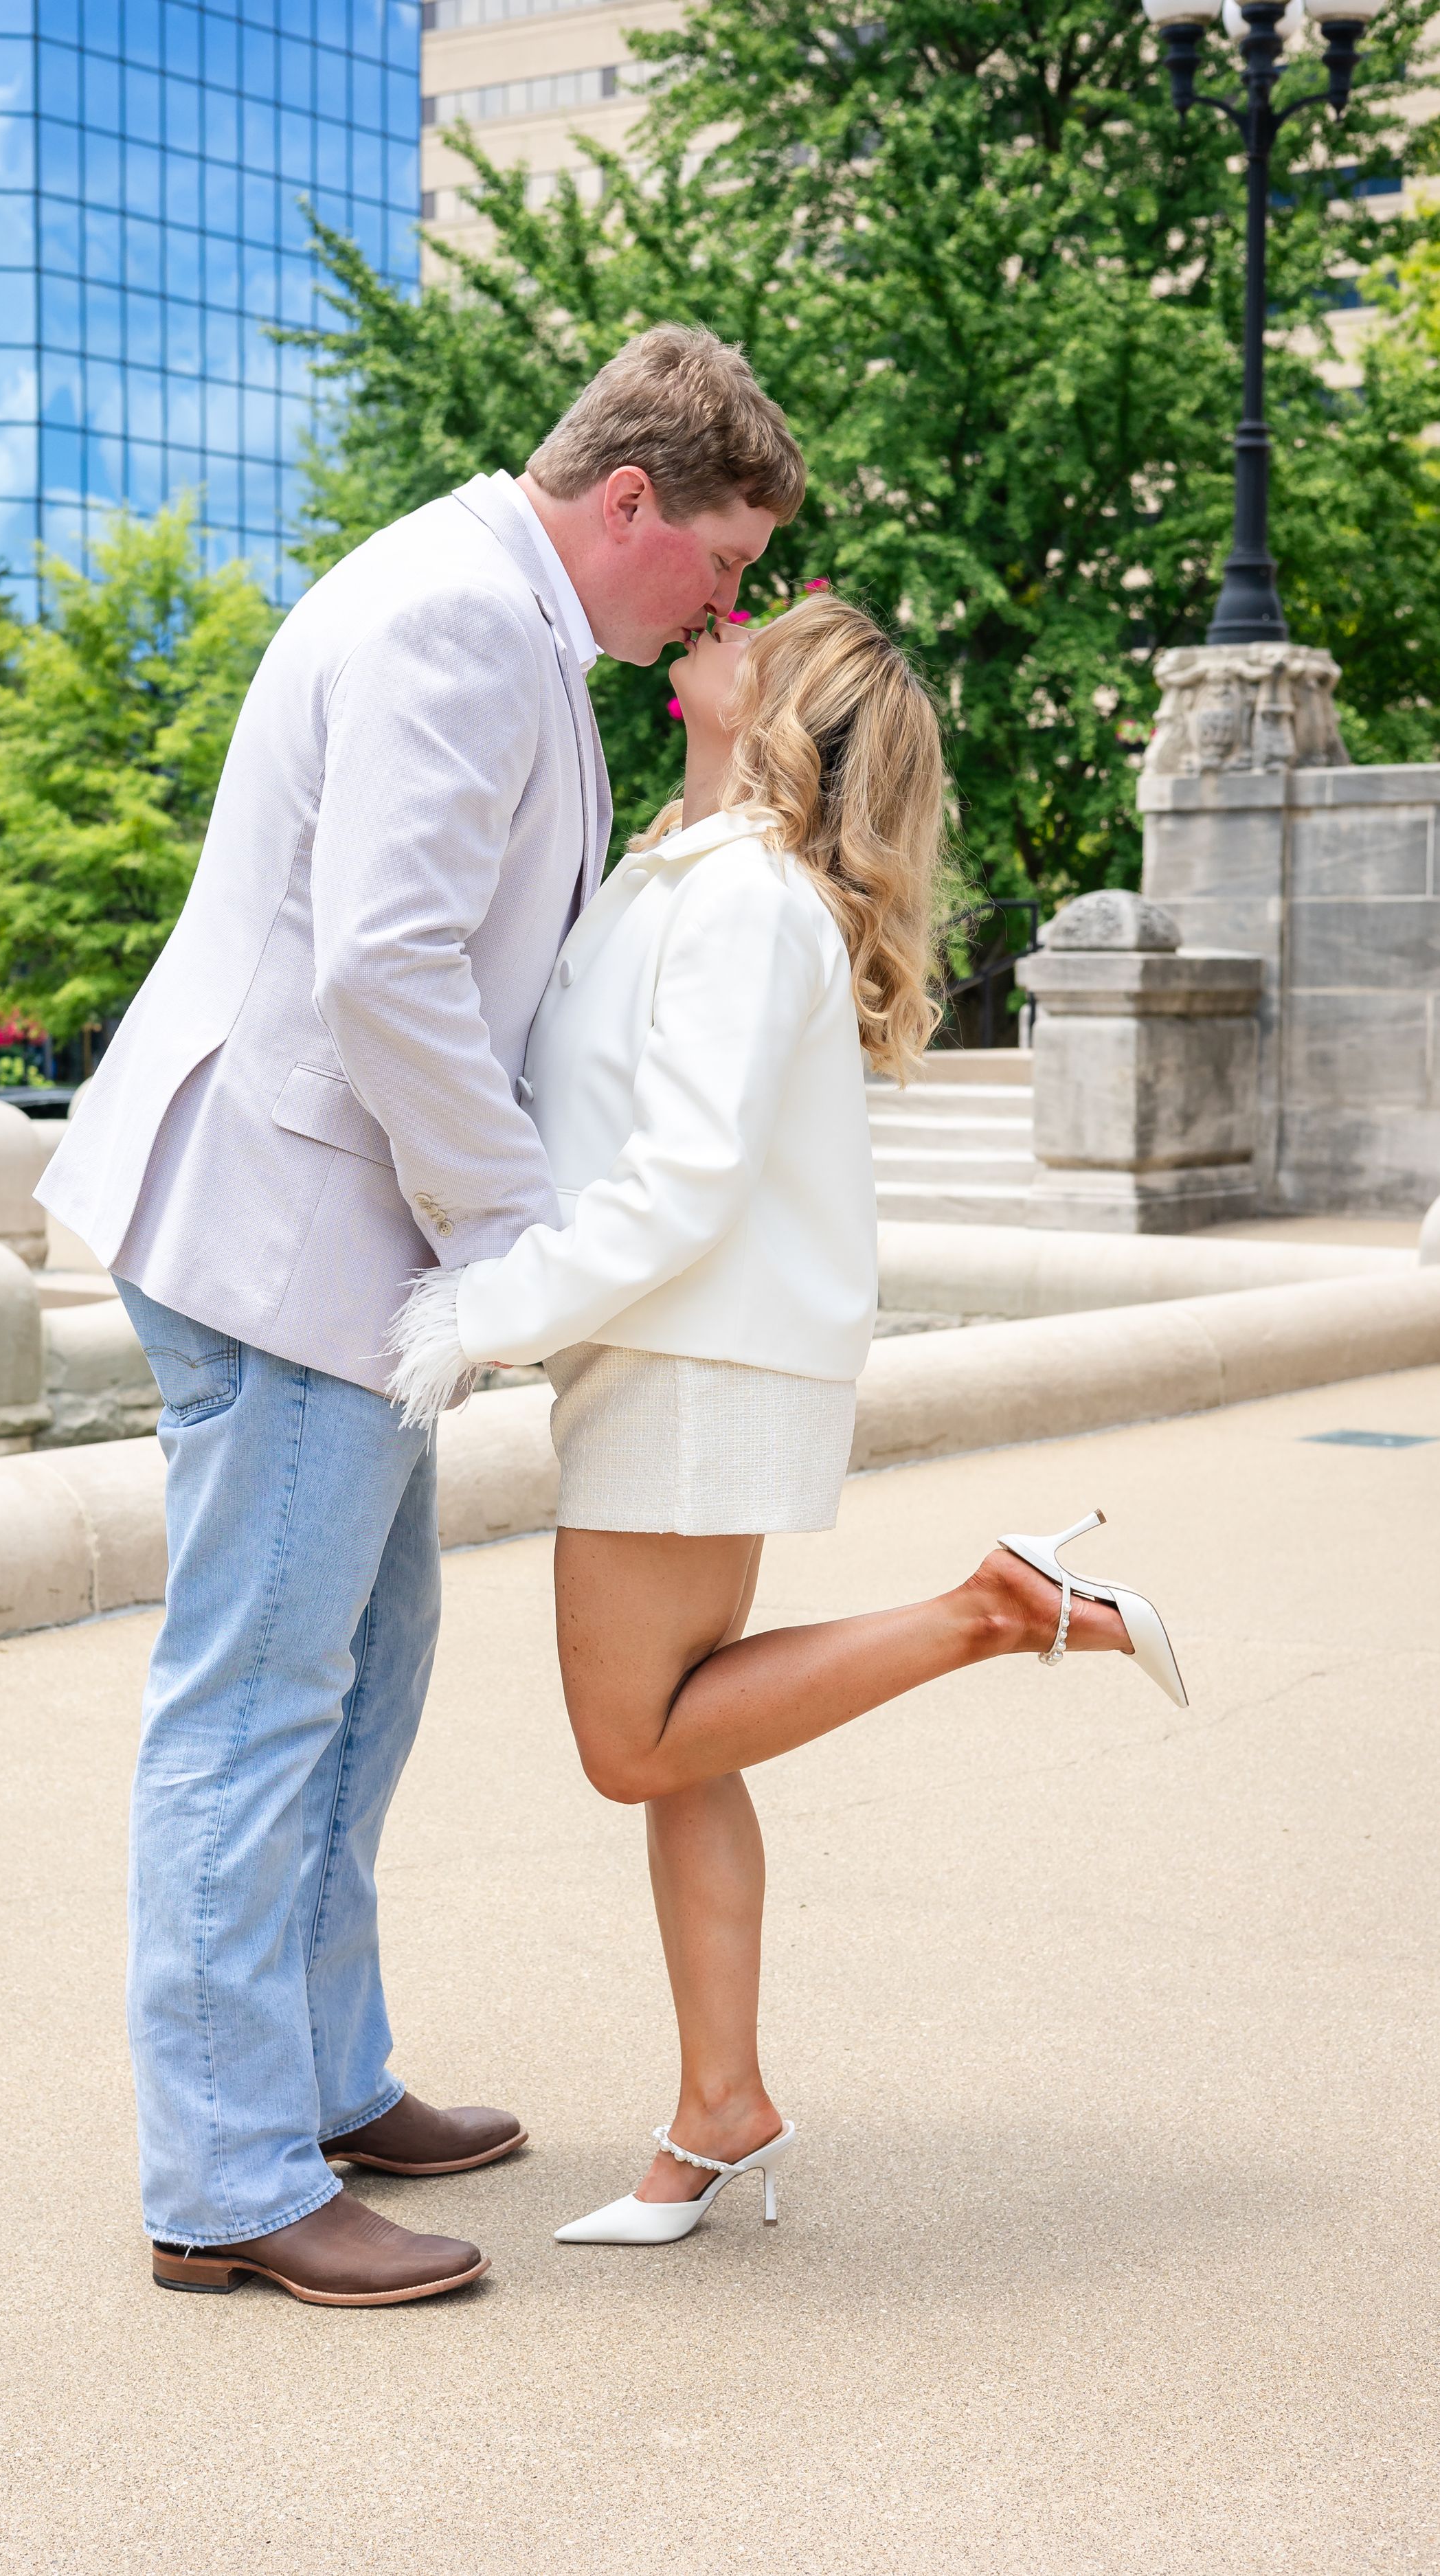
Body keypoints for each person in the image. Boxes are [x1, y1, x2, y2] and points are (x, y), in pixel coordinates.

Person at [35, 326, 809, 2307]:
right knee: (260, 1702)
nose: (720, 606)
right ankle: (224, 2181)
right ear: (626, 502)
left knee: (362, 1672)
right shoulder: (460, 623)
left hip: (314, 1234)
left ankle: (316, 2076)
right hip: (293, 1235)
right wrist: (518, 1252)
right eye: (716, 564)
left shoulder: (483, 607)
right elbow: (390, 969)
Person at [388, 595, 1188, 2248]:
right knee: (695, 1747)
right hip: (680, 1354)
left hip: (694, 1359)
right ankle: (718, 2112)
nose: (721, 618)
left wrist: (484, 1318)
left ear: (780, 711)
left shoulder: (744, 897)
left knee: (634, 1745)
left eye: (763, 627)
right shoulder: (683, 871)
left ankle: (991, 1609)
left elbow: (683, 1178)